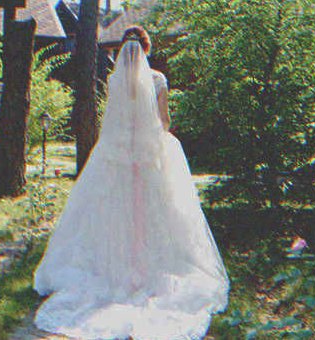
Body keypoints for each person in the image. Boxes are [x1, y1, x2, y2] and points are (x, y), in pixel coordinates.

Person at [33, 26, 229, 340]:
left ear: (122, 50)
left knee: (114, 209)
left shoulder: (114, 81)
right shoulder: (158, 80)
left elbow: (113, 121)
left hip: (118, 156)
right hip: (150, 157)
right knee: (161, 211)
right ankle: (148, 270)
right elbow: (163, 123)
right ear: (147, 49)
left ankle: (117, 268)